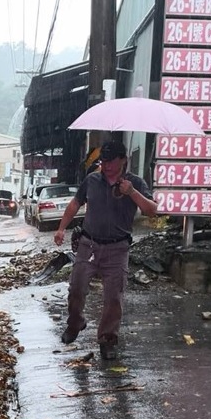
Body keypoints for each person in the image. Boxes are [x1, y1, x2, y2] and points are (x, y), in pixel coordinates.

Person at [53, 139, 158, 360]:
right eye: (103, 161)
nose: (106, 165)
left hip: (117, 248)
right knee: (76, 289)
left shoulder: (135, 183)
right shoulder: (92, 180)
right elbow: (75, 203)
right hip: (88, 244)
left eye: (111, 161)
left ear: (123, 160)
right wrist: (61, 229)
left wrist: (131, 193)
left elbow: (152, 211)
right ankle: (75, 323)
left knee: (113, 298)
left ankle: (107, 339)